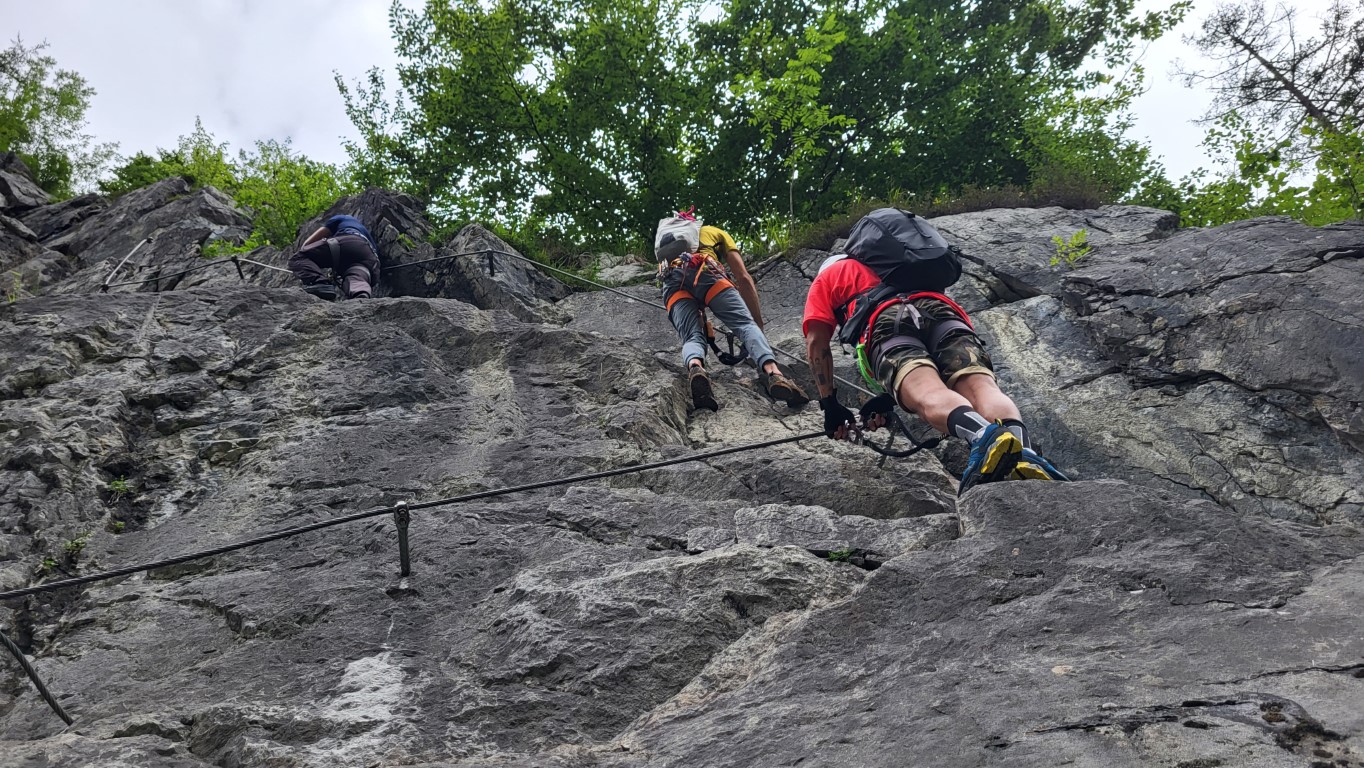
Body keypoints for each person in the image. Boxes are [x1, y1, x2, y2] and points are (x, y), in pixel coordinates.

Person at [802, 251, 1068, 495]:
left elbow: (817, 342)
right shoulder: (896, 259)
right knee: (981, 389)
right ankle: (1025, 453)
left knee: (928, 393)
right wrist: (887, 399)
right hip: (944, 313)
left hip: (887, 322)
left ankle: (983, 436)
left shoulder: (829, 276)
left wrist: (830, 404)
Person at [655, 209, 808, 411]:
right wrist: (757, 324)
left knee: (691, 336)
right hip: (707, 272)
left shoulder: (667, 246)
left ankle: (696, 368)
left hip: (672, 280)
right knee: (745, 325)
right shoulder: (715, 232)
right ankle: (774, 374)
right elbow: (743, 277)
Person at [289, 214, 381, 300]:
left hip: (349, 243)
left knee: (299, 258)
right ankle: (360, 294)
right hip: (371, 260)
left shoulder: (343, 218)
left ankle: (320, 283)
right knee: (355, 278)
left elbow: (307, 245)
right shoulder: (366, 233)